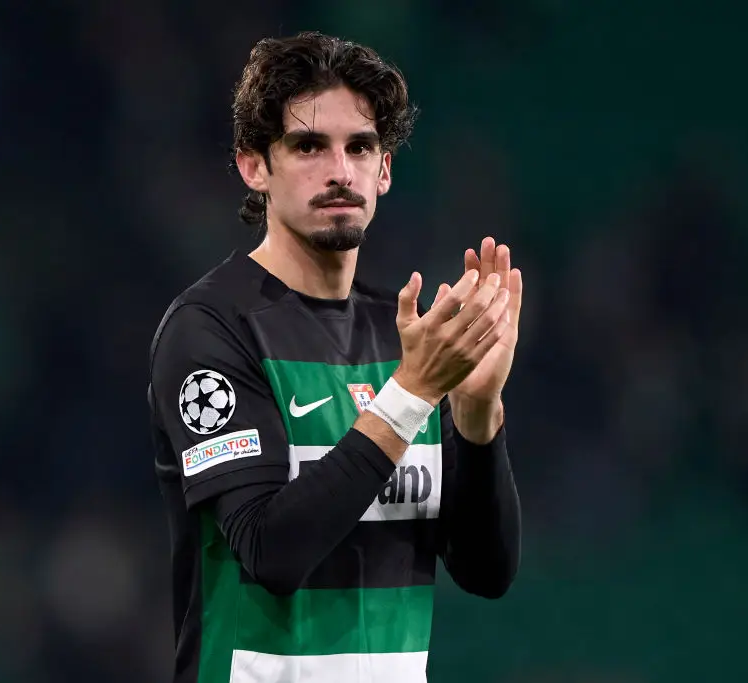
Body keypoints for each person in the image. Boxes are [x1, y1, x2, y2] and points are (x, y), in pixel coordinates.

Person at [148, 31, 523, 683]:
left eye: (361, 146)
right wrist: (409, 395)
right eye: (308, 146)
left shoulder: (400, 336)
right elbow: (271, 551)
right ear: (254, 166)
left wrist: (476, 410)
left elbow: (486, 571)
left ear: (383, 170)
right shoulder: (212, 329)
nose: (340, 171)